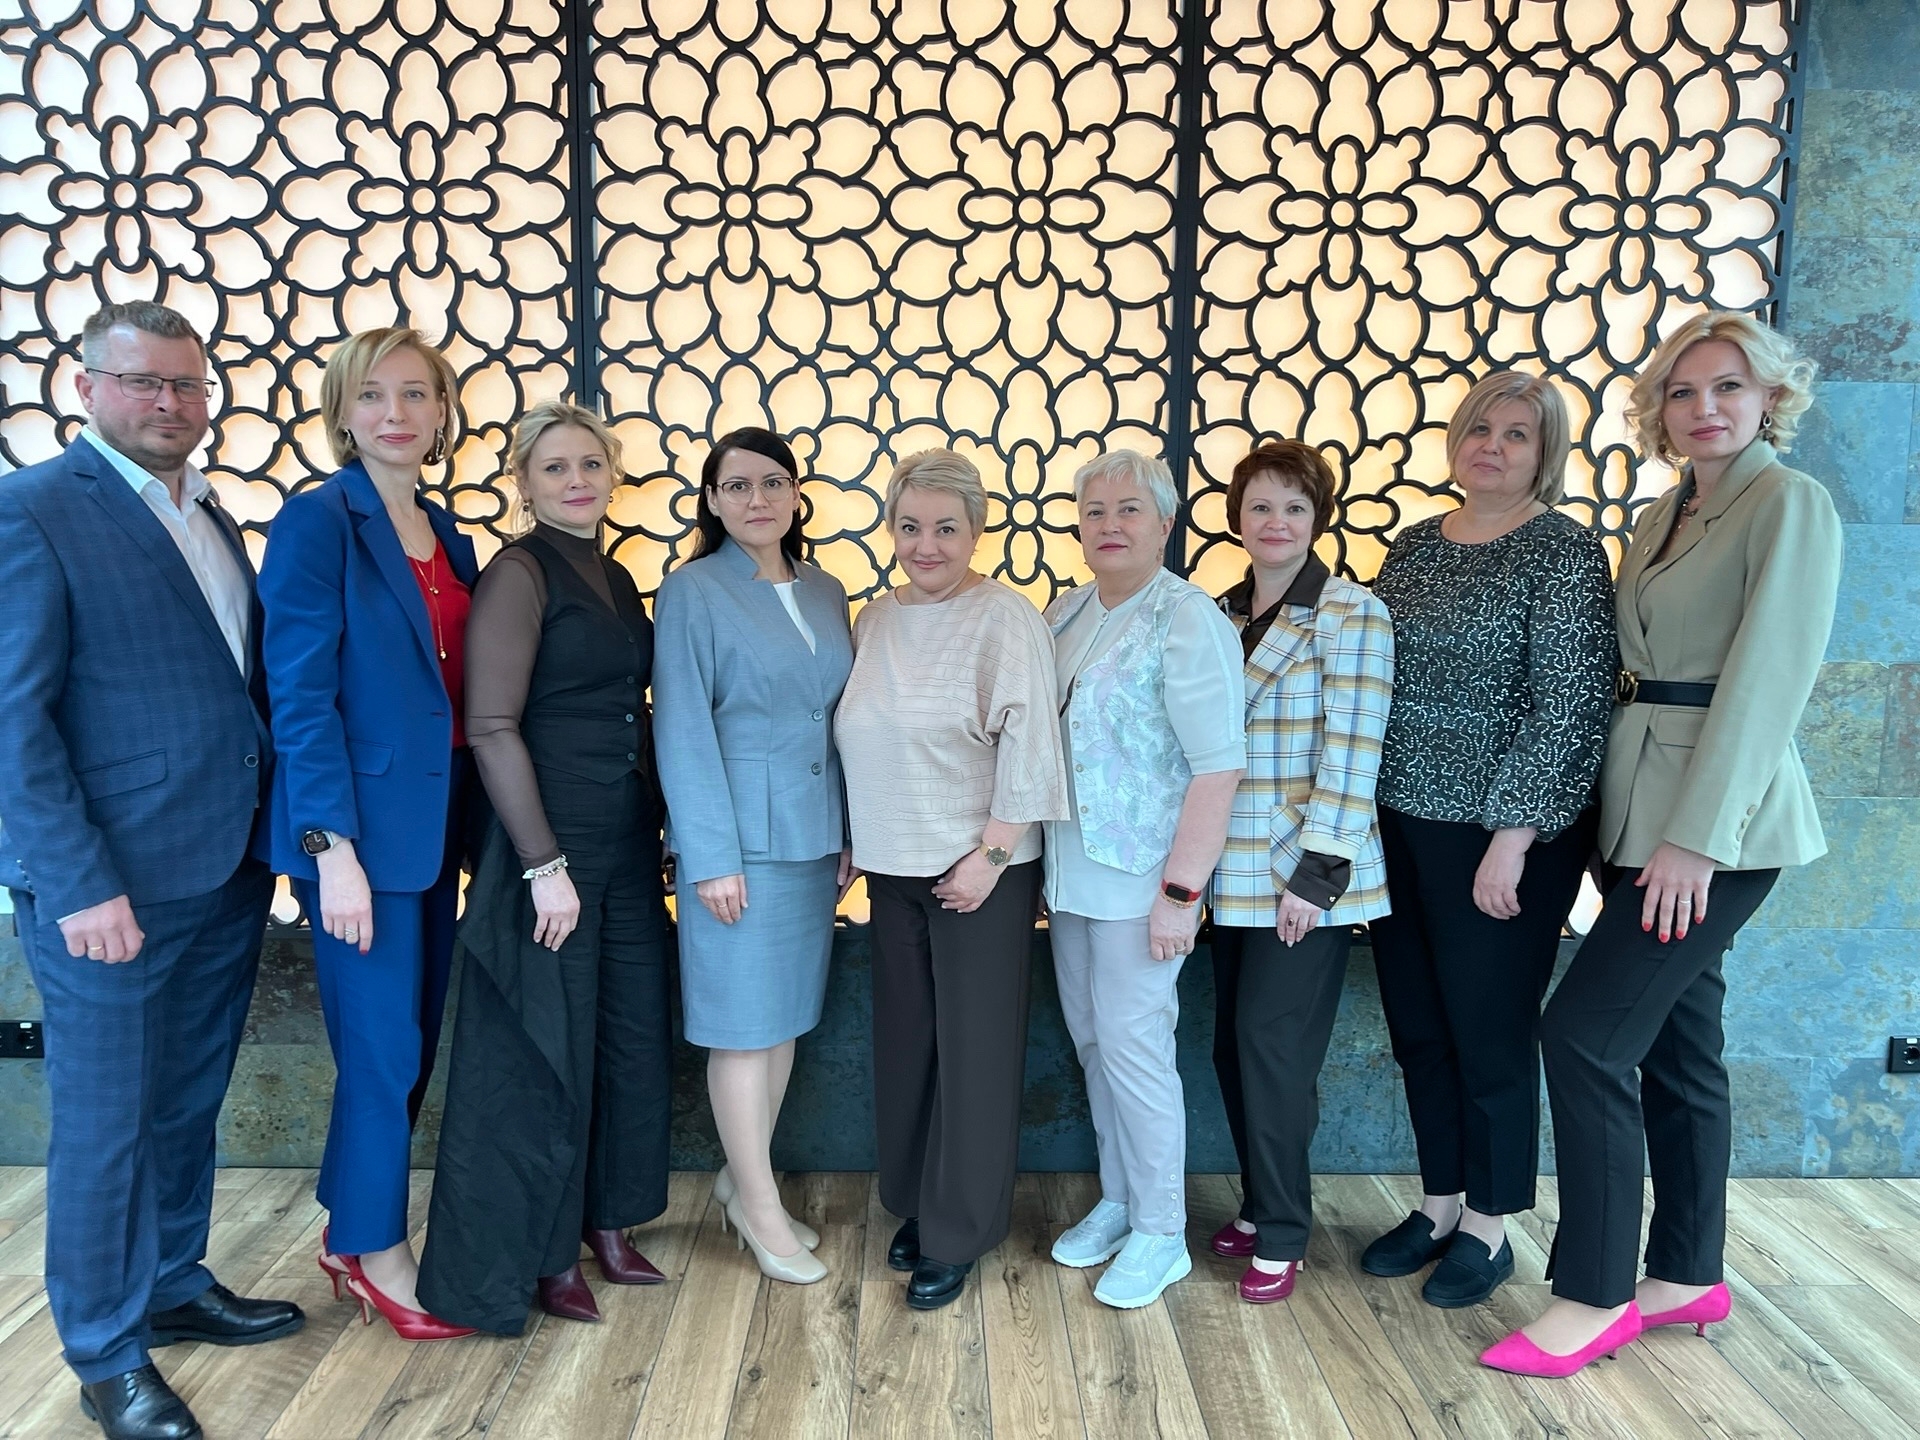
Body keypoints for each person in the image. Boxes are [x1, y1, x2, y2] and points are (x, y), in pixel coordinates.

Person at [1485, 313, 1842, 1377]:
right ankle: (1686, 1271)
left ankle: (1595, 1293)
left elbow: (1769, 683)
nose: (1705, 408)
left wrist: (1697, 840)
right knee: (1681, 1044)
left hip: (1715, 825)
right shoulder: (1663, 511)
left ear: (1770, 397)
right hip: (1633, 810)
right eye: (1683, 392)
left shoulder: (1788, 503)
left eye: (1728, 386)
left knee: (1583, 1037)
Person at [0, 301, 301, 1440]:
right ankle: (105, 1354)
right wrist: (77, 881)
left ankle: (172, 1283)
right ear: (87, 389)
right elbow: (12, 723)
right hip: (107, 888)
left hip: (220, 866)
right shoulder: (33, 511)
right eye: (142, 382)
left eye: (186, 383)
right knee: (106, 1124)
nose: (169, 402)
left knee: (184, 1101)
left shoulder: (210, 512)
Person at [416, 401, 674, 1331]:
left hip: (627, 843)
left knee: (629, 1034)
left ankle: (608, 1220)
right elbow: (490, 725)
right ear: (523, 483)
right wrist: (540, 863)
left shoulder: (616, 573)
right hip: (549, 845)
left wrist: (667, 825)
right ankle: (542, 1254)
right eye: (555, 467)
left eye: (591, 464)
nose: (577, 481)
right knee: (544, 1050)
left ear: (612, 475)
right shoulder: (519, 574)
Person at [1363, 371, 1615, 1310]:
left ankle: (1489, 1224)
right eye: (1480, 428)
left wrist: (1513, 837)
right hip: (1400, 824)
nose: (1493, 446)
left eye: (1516, 434)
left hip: (1502, 837)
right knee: (1420, 1027)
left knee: (1490, 1032)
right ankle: (1438, 1205)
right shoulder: (1415, 546)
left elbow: (1570, 705)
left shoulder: (1563, 552)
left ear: (1544, 454)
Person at [257, 327, 477, 1342]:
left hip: (433, 837)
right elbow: (299, 697)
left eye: (416, 394)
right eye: (374, 394)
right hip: (357, 845)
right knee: (383, 1053)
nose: (397, 413)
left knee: (409, 1047)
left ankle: (349, 1231)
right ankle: (382, 1255)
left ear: (441, 413)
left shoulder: (449, 533)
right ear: (344, 413)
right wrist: (328, 849)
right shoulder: (317, 524)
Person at [836, 448, 1068, 1312]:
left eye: (945, 528)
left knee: (975, 1054)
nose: (925, 545)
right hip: (891, 868)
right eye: (909, 527)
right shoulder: (873, 619)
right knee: (908, 1046)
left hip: (979, 872)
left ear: (976, 531)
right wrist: (853, 839)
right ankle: (918, 1202)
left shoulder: (1005, 618)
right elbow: (863, 737)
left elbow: (1032, 744)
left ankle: (960, 1229)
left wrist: (994, 855)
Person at [1040, 450, 1245, 1311]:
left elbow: (1218, 767)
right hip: (1070, 872)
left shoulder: (1186, 617)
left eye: (1129, 509)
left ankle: (1163, 1231)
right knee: (1095, 1044)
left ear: (1165, 522)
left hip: (1145, 882)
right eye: (1095, 510)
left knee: (1136, 1049)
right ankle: (1121, 1199)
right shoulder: (1066, 611)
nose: (1110, 525)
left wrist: (1181, 895)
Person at [652, 426, 855, 1287]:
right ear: (712, 500)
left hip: (812, 840)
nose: (757, 499)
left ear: (797, 494)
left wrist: (851, 829)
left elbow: (842, 719)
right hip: (736, 845)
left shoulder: (825, 589)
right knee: (741, 1031)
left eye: (773, 482)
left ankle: (744, 1181)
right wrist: (708, 856)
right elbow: (682, 726)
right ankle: (760, 1210)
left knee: (783, 1023)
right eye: (736, 486)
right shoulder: (692, 591)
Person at [1206, 441, 1395, 1304]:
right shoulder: (1220, 612)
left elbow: (1355, 750)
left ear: (1317, 519)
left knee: (1272, 1049)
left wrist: (1318, 874)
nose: (1275, 522)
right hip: (1224, 868)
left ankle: (1283, 1232)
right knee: (1232, 1046)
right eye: (1260, 506)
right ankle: (1258, 1204)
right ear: (1237, 518)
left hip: (1301, 871)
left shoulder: (1352, 613)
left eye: (1293, 507)